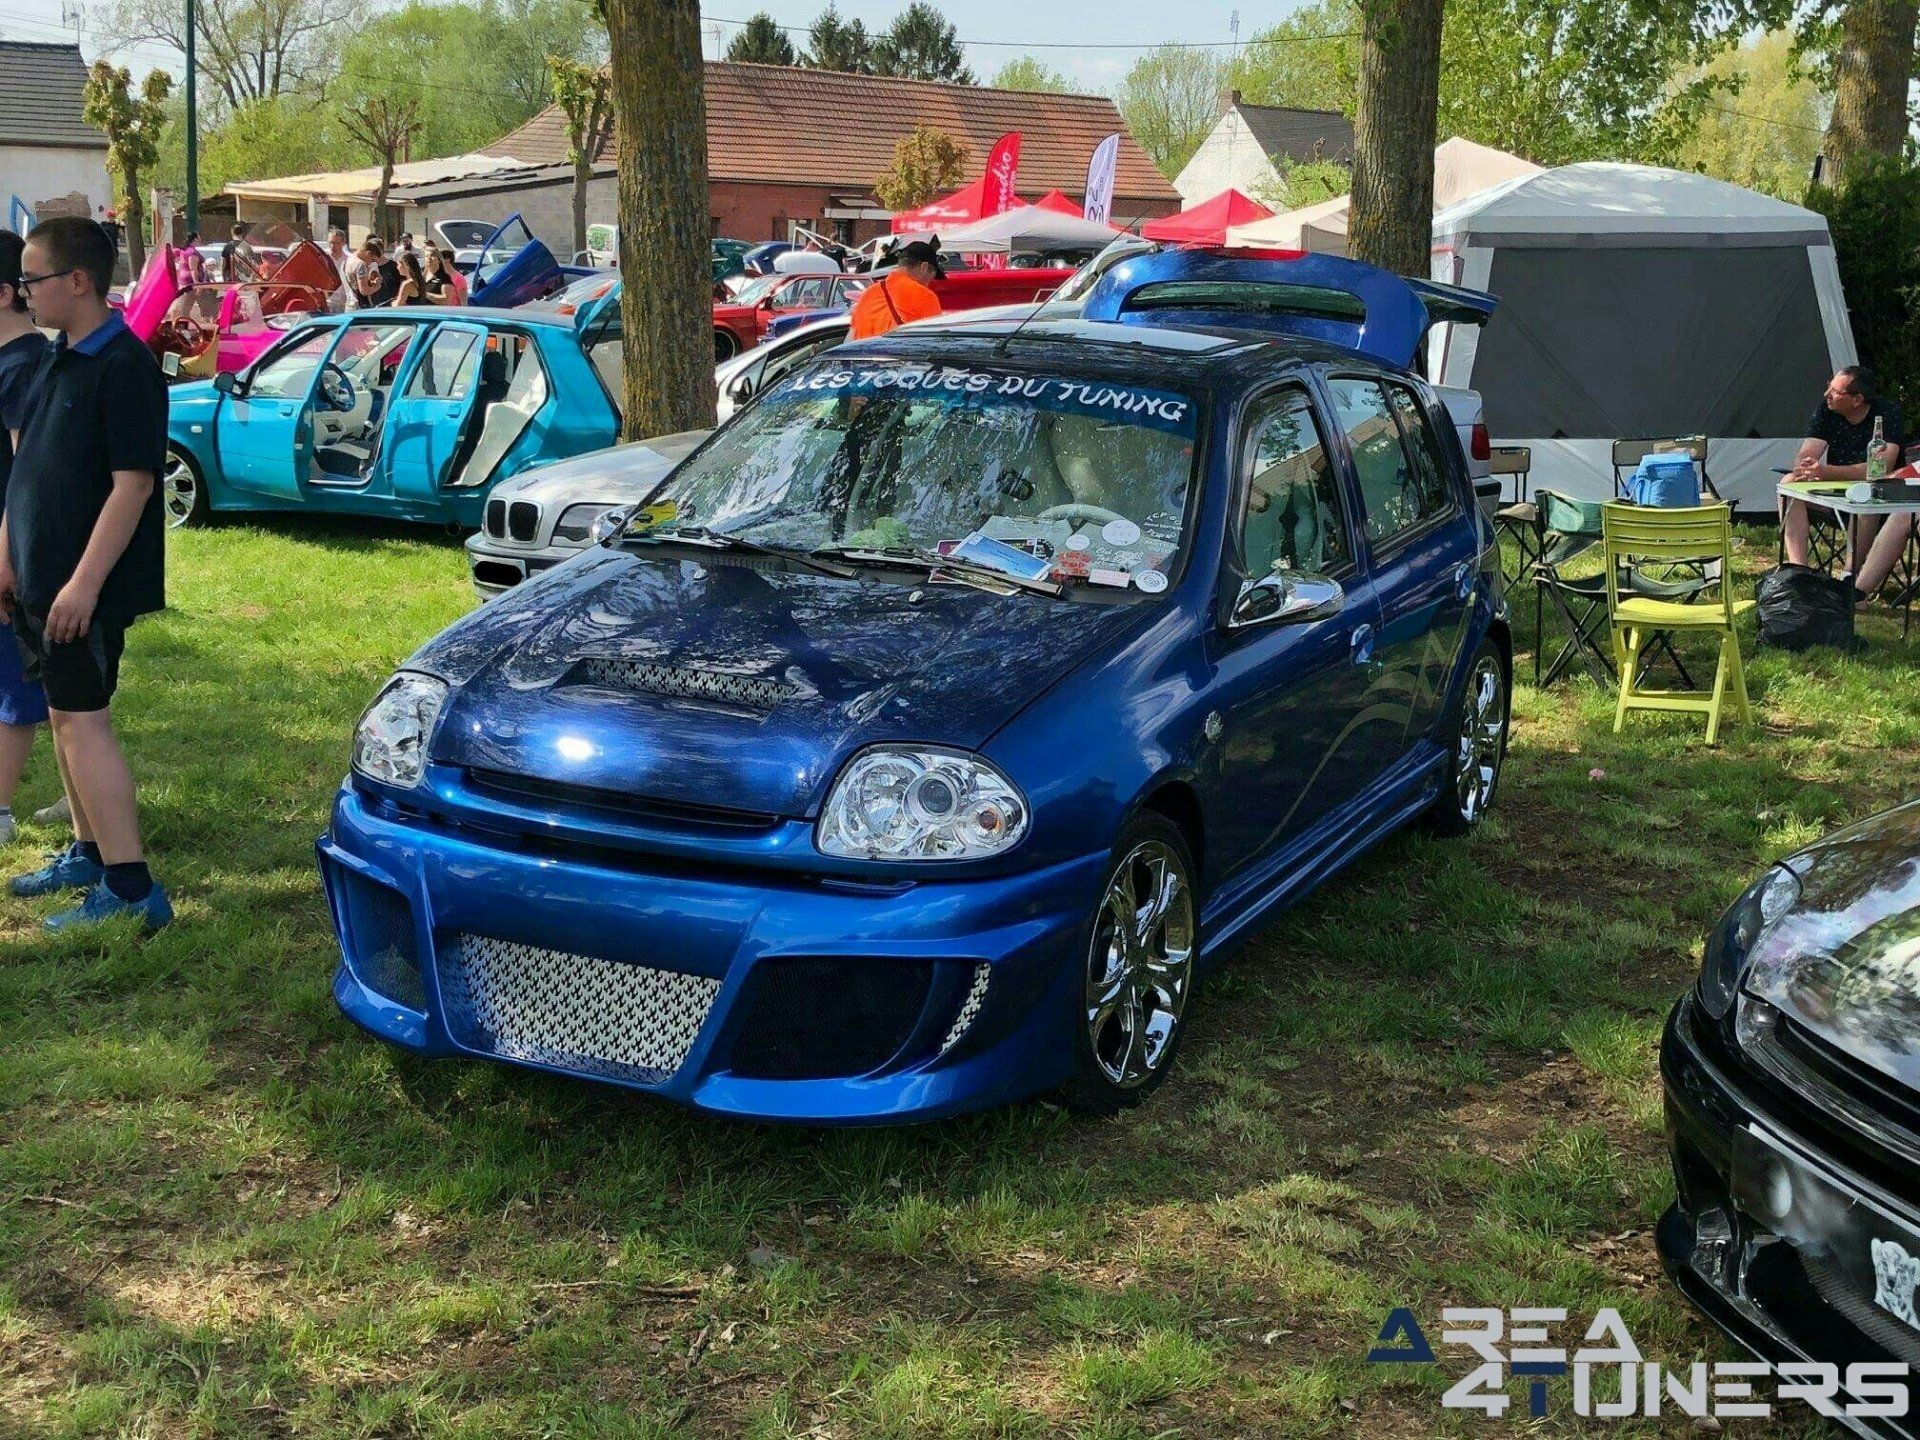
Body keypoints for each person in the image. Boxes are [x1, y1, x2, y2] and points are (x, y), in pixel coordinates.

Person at [3, 216, 171, 930]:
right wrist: (9, 555)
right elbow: (27, 472)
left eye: (33, 279)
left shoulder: (123, 366)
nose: (24, 291)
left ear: (77, 281)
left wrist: (83, 584)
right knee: (66, 722)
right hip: (38, 582)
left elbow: (131, 486)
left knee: (83, 722)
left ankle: (132, 890)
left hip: (81, 588)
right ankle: (88, 851)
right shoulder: (54, 358)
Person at [0, 233, 49, 846]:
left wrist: (6, 555)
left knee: (17, 677)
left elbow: (26, 474)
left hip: (15, 549)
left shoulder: (25, 367)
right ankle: (82, 789)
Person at [1781, 366, 1905, 589]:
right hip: (1835, 492)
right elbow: (1805, 458)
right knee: (1788, 483)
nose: (1826, 394)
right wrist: (1808, 468)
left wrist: (1825, 472)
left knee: (1867, 493)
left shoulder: (1887, 414)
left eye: (1835, 391)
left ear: (1857, 400)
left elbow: (1880, 468)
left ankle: (1849, 578)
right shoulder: (1827, 410)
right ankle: (1799, 571)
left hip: (1880, 499)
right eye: (1828, 386)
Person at [847, 235, 944, 340]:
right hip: (899, 355)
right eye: (931, 276)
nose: (929, 282)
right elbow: (934, 340)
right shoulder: (925, 297)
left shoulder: (868, 295)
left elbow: (852, 337)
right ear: (923, 267)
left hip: (862, 355)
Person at [355, 237, 400, 308]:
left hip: (390, 304)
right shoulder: (365, 265)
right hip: (373, 304)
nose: (376, 258)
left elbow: (400, 285)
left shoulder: (393, 266)